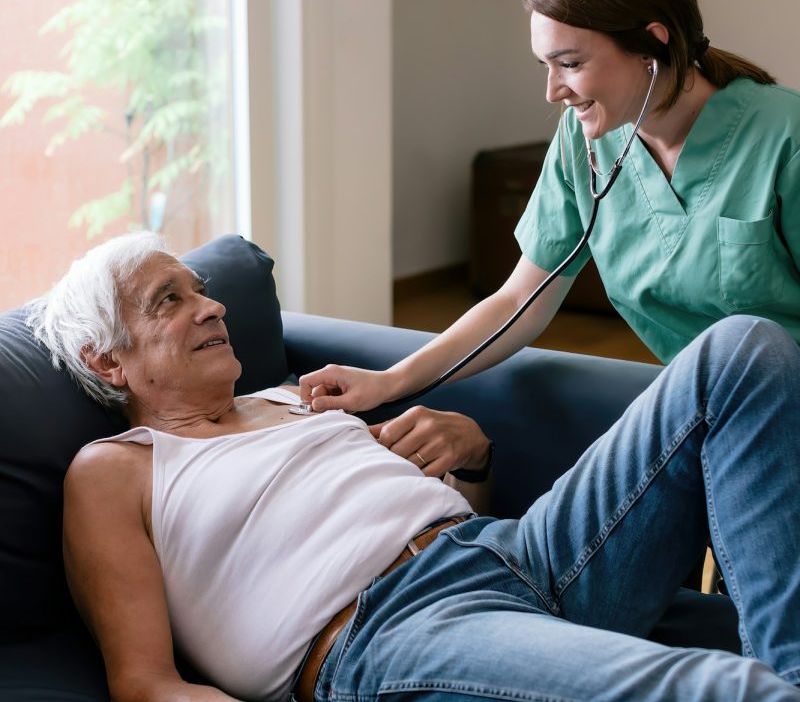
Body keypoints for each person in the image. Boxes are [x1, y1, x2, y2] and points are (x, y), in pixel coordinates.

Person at [27, 231, 800, 701]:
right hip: (391, 629)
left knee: (741, 349)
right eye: (171, 300)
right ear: (108, 360)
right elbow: (146, 685)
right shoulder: (116, 471)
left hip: (514, 552)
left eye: (202, 291)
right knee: (720, 689)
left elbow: (450, 503)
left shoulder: (298, 398)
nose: (213, 306)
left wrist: (471, 452)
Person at [299, 0, 800, 474]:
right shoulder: (582, 140)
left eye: (570, 64)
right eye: (545, 65)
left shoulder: (784, 139)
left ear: (654, 44)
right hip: (697, 409)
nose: (553, 91)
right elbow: (521, 300)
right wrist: (390, 380)